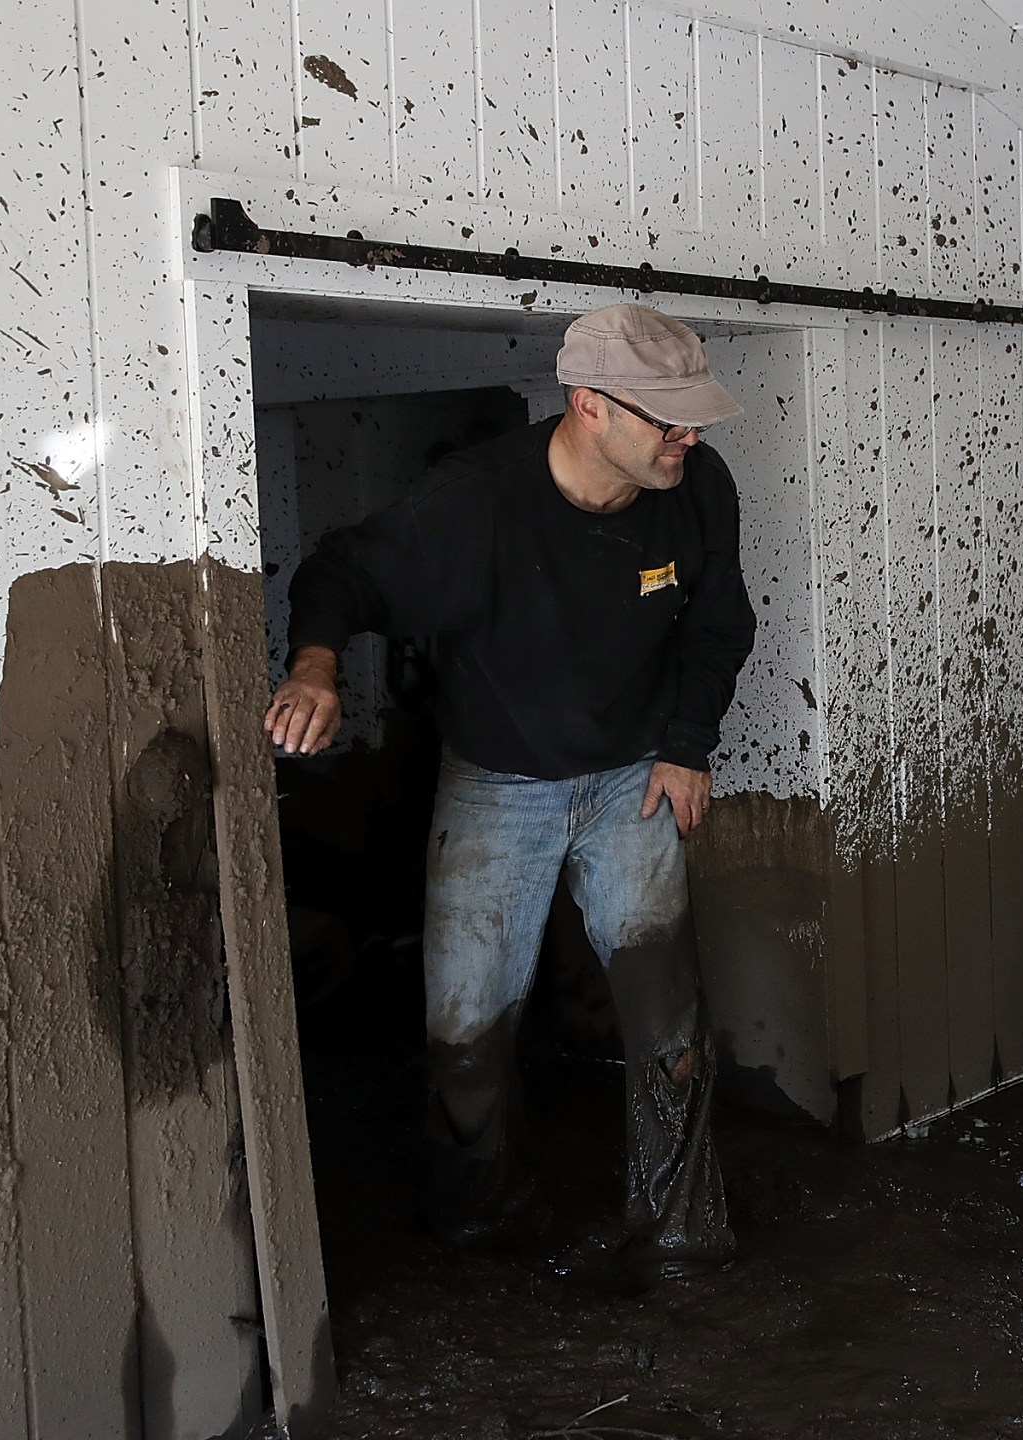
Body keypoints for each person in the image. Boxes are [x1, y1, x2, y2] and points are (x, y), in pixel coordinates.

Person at [266, 302, 756, 1279]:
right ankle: (483, 1220)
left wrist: (687, 746)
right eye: (667, 419)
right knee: (465, 1025)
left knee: (668, 1022)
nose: (689, 437)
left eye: (692, 418)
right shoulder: (472, 505)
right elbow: (340, 571)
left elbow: (717, 622)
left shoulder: (695, 486)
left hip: (634, 780)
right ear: (588, 407)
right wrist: (314, 669)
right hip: (499, 785)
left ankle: (680, 1233)